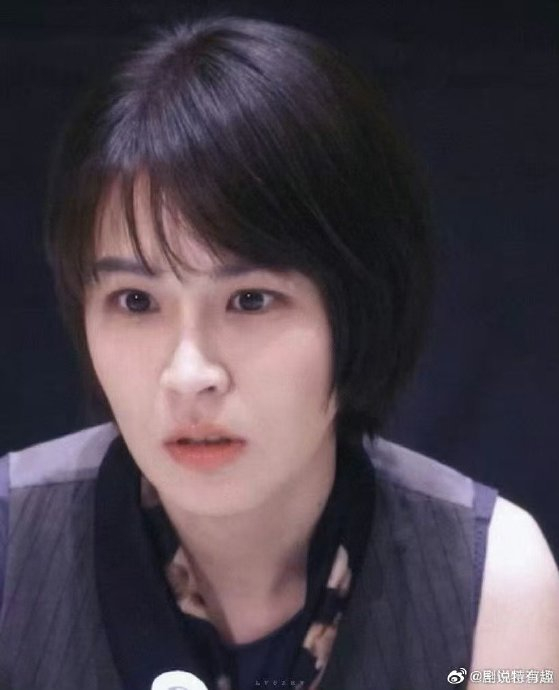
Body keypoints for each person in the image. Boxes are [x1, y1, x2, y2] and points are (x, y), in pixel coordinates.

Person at [0, 14, 558, 690]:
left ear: (360, 305)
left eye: (251, 300)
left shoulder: (493, 580)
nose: (189, 374)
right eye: (136, 301)